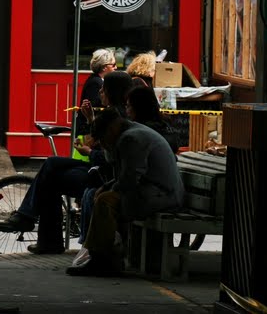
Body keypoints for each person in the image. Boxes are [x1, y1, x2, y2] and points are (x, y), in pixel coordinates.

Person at [0, 70, 134, 254]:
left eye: (103, 89)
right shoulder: (113, 113)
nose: (100, 93)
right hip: (98, 169)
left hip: (104, 177)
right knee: (52, 163)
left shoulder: (118, 117)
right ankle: (29, 220)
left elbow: (111, 158)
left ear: (111, 91)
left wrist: (89, 152)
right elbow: (103, 143)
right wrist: (91, 119)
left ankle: (44, 236)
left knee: (51, 181)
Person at [66, 108, 185, 277]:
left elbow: (129, 179)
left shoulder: (131, 139)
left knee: (105, 202)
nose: (104, 144)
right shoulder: (130, 132)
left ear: (111, 130)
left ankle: (101, 259)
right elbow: (126, 175)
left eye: (103, 140)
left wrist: (109, 189)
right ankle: (103, 255)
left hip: (162, 195)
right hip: (154, 190)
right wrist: (107, 186)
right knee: (101, 196)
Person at [75, 49, 117, 145]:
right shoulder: (96, 83)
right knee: (84, 158)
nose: (116, 67)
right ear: (104, 67)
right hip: (87, 132)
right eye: (113, 65)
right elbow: (96, 107)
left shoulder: (97, 80)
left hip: (90, 129)